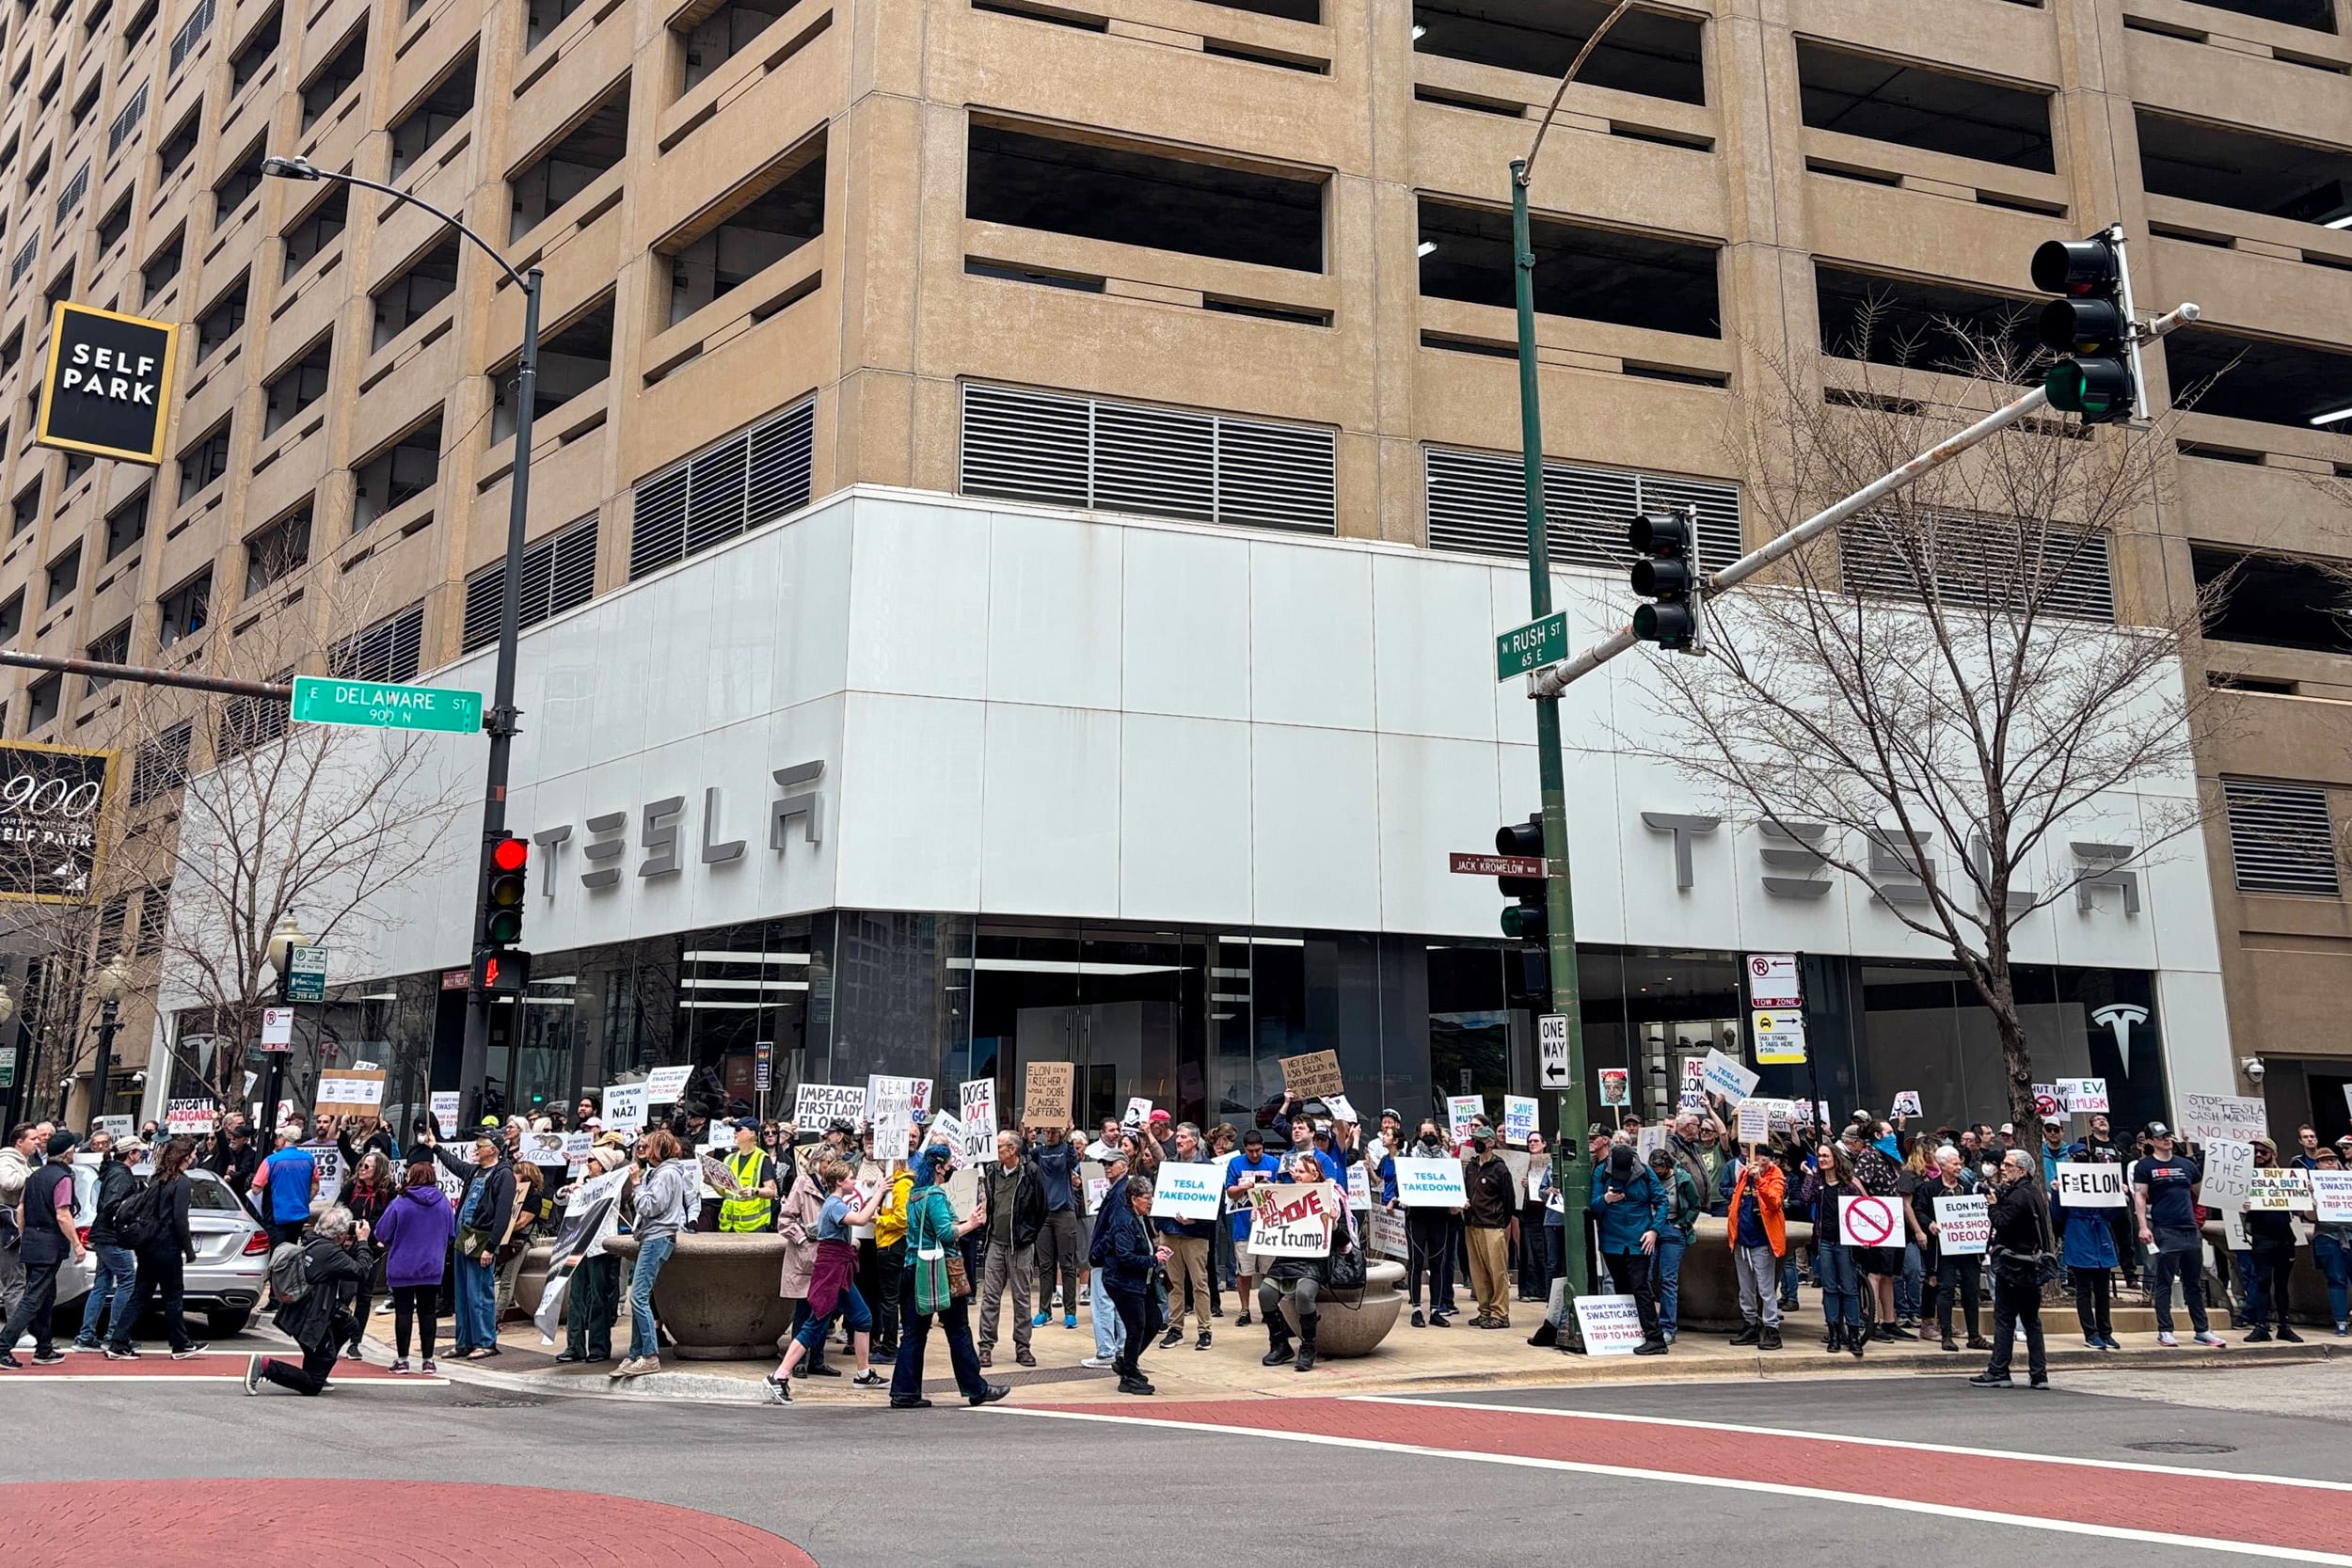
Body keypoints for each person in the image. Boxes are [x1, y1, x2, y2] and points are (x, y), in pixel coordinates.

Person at [891, 1144, 1009, 1410]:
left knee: (913, 1333)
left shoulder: (914, 1195)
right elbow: (946, 1234)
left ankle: (904, 1391)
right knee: (958, 1330)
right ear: (937, 1167)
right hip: (939, 1269)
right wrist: (972, 1224)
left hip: (913, 1267)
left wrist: (964, 1222)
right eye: (947, 1167)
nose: (949, 1172)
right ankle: (975, 1388)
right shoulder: (935, 1195)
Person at [767, 1158, 890, 1401]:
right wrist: (881, 1192)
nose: (854, 1181)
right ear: (839, 1182)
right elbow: (860, 1219)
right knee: (815, 1325)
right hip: (830, 1272)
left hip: (838, 1271)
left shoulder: (836, 1203)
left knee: (863, 1318)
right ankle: (779, 1376)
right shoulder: (834, 1204)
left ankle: (864, 1374)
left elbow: (860, 1218)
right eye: (850, 1177)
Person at [244, 1205, 366, 1396]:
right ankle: (266, 1366)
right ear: (340, 1233)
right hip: (310, 1319)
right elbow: (362, 1271)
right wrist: (363, 1241)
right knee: (312, 1385)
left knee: (348, 1324)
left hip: (300, 1312)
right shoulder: (329, 1253)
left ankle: (318, 1368)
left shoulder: (312, 1242)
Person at [1256, 1150, 1360, 1373]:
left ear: (1315, 1175)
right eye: (1296, 1171)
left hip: (1313, 1261)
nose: (1297, 1175)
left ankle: (1308, 1347)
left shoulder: (1329, 1198)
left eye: (1302, 1172)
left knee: (1304, 1294)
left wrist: (1333, 1223)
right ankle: (1280, 1345)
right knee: (1265, 1293)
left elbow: (1344, 1243)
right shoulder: (1284, 1195)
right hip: (1285, 1259)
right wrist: (1260, 1219)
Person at [106, 1136, 209, 1361]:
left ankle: (118, 1340)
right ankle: (180, 1343)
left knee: (140, 1293)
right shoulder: (181, 1182)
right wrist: (189, 1250)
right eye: (192, 1154)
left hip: (147, 1244)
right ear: (184, 1157)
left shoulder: (157, 1179)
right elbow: (180, 1219)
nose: (194, 1157)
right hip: (167, 1245)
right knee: (173, 1295)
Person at [2133, 1120, 2226, 1349]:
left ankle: (2202, 1329)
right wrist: (2143, 1226)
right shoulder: (2145, 1166)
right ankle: (2165, 1330)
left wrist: (2228, 1194)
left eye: (2168, 1136)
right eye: (2161, 1137)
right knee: (2164, 1281)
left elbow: (2202, 1192)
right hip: (2166, 1228)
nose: (2166, 1140)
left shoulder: (2186, 1165)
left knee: (2193, 1282)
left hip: (2189, 1228)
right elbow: (2140, 1196)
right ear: (2152, 1141)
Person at [614, 1128, 698, 1379]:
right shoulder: (669, 1173)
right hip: (657, 1237)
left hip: (656, 1237)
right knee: (641, 1296)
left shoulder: (664, 1175)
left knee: (638, 1297)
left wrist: (638, 1186)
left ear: (658, 1150)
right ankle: (636, 1353)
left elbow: (651, 1206)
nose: (643, 1150)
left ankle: (648, 1355)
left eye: (648, 1146)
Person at [426, 1128, 516, 1360]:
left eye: (480, 1144)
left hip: (481, 1240)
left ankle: (486, 1341)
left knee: (480, 1294)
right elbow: (454, 1165)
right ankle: (464, 1341)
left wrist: (491, 1246)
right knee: (463, 1294)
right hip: (463, 1238)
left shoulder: (504, 1175)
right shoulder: (476, 1171)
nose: (476, 1148)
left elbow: (503, 1214)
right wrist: (435, 1146)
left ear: (493, 1149)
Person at [0, 1130, 85, 1368]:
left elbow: (21, 1209)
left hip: (32, 1241)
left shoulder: (35, 1175)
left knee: (46, 1296)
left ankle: (44, 1348)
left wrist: (24, 1234)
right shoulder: (62, 1178)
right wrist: (77, 1244)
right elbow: (63, 1215)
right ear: (68, 1152)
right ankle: (4, 1345)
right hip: (49, 1243)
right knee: (34, 1298)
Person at [1971, 1150, 2053, 1390]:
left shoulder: (2019, 1196)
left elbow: (2004, 1224)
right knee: (2031, 1320)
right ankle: (2039, 1374)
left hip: (2015, 1264)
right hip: (2031, 1263)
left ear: (2023, 1170)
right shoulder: (2034, 1193)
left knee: (2005, 1318)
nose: (2003, 1168)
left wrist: (1994, 1207)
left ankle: (1999, 1370)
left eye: (2009, 1165)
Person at [1588, 1141, 1669, 1354]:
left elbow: (1662, 1202)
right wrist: (1606, 1198)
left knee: (1640, 1287)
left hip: (1639, 1239)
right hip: (1612, 1241)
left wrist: (1654, 1230)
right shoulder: (1601, 1172)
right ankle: (1630, 1333)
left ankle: (1655, 1337)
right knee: (1621, 1287)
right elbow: (1593, 1204)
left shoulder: (1645, 1172)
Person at [373, 1159, 453, 1374]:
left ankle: (402, 1360)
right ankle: (428, 1360)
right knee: (428, 1313)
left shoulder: (401, 1203)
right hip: (432, 1265)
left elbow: (381, 1232)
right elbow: (451, 1232)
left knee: (404, 1313)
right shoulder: (443, 1202)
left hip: (403, 1265)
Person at [1093, 1163, 1164, 1395]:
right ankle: (1129, 1375)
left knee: (1153, 1320)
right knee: (1136, 1326)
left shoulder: (1138, 1216)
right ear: (1134, 1198)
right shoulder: (1125, 1220)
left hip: (1136, 1281)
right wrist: (1154, 1260)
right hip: (1122, 1282)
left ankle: (1127, 1363)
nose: (1150, 1201)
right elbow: (1125, 1257)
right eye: (1147, 1197)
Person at [977, 1129, 1043, 1370]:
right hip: (996, 1241)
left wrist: (1028, 1235)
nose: (995, 1151)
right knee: (990, 1297)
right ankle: (985, 1346)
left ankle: (1023, 1347)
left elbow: (1041, 1207)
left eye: (999, 1147)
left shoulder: (1031, 1172)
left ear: (1012, 1150)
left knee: (1021, 1298)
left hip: (1021, 1245)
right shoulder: (993, 1171)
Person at [1839, 1121, 1909, 1339]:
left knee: (1889, 1273)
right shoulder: (1869, 1156)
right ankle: (1873, 1319)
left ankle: (1890, 1320)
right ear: (1878, 1135)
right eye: (1888, 1132)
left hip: (1893, 1219)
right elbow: (1855, 1180)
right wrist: (1868, 1202)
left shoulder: (1890, 1157)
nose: (1891, 1136)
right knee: (1876, 1272)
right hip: (1878, 1219)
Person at [72, 1130, 140, 1354]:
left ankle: (87, 1335)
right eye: (138, 1152)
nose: (140, 1156)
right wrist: (126, 1218)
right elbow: (113, 1204)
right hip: (113, 1235)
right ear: (131, 1154)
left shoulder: (112, 1171)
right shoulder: (121, 1175)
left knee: (103, 1283)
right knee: (127, 1280)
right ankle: (114, 1334)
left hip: (104, 1234)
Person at [1917, 1145, 1989, 1353]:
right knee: (1946, 1289)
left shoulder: (1968, 1186)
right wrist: (1930, 1224)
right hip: (1943, 1250)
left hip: (1968, 1248)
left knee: (1971, 1290)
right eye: (1954, 1163)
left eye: (1960, 1162)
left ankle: (1974, 1335)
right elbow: (1919, 1211)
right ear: (1942, 1165)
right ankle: (1946, 1335)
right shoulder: (1930, 1188)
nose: (1959, 1166)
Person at [1154, 1121, 1216, 1352]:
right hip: (1170, 1233)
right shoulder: (1168, 1166)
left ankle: (1205, 1330)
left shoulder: (1207, 1168)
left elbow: (1215, 1205)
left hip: (1195, 1236)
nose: (1179, 1141)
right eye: (1177, 1137)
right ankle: (1175, 1328)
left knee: (1200, 1283)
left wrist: (1196, 1219)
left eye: (1183, 1137)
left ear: (1194, 1140)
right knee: (1173, 1284)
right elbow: (1160, 1197)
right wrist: (1162, 1225)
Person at [773, 1150, 834, 1380]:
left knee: (823, 1309)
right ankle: (798, 1361)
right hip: (805, 1255)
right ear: (817, 1163)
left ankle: (817, 1359)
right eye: (829, 1162)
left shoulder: (833, 1186)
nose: (832, 1166)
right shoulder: (803, 1183)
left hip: (826, 1257)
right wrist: (802, 1238)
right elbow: (785, 1219)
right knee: (804, 1311)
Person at [1804, 1143, 1866, 1357]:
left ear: (1835, 1158)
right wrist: (1812, 1174)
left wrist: (1863, 1237)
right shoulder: (1819, 1183)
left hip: (1845, 1242)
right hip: (1825, 1241)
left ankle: (1854, 1333)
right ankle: (1834, 1333)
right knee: (1829, 1288)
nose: (1822, 1159)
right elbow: (1806, 1197)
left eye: (1825, 1155)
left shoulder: (1848, 1185)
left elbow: (1862, 1210)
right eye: (1819, 1156)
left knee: (1849, 1289)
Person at [1724, 1140, 1785, 1351]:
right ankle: (1750, 1324)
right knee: (1746, 1288)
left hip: (1761, 1242)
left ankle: (1771, 1328)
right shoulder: (1743, 1175)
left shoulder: (1775, 1177)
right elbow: (1736, 1200)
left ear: (1771, 1161)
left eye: (1763, 1160)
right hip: (1743, 1240)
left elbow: (1774, 1202)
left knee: (1766, 1289)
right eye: (1755, 1159)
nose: (1759, 1163)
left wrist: (1759, 1179)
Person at [2242, 1138, 2303, 1344]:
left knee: (2282, 1283)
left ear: (2273, 1154)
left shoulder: (2287, 1176)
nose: (2258, 1156)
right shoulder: (2248, 1179)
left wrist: (2306, 1193)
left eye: (2263, 1153)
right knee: (2262, 1281)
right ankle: (2261, 1326)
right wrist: (2244, 1204)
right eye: (2255, 1153)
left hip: (2284, 1236)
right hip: (2261, 1236)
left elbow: (2299, 1210)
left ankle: (2284, 1326)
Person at [340, 1150, 397, 1359]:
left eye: (367, 1166)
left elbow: (392, 1216)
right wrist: (347, 1228)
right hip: (348, 1245)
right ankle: (338, 1334)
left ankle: (356, 1341)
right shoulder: (351, 1186)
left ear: (378, 1170)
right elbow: (338, 1210)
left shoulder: (388, 1192)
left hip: (373, 1248)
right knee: (345, 1294)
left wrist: (381, 1235)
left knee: (364, 1296)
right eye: (361, 1165)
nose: (362, 1169)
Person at [1226, 1128, 1283, 1328]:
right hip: (1243, 1225)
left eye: (1258, 1150)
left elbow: (1282, 1192)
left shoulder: (1274, 1164)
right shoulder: (1235, 1163)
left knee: (1270, 1270)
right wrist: (1246, 1186)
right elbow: (1230, 1191)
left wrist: (1268, 1185)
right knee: (1245, 1272)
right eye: (1251, 1151)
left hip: (1268, 1226)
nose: (1255, 1154)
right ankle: (1244, 1309)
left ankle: (1270, 1308)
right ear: (1245, 1149)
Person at [1460, 1127, 1518, 1330]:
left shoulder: (1499, 1168)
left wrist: (1501, 1219)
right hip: (1472, 1223)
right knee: (1478, 1272)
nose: (1477, 1142)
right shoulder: (1472, 1166)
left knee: (1497, 1270)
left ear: (1491, 1142)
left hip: (1492, 1225)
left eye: (1481, 1139)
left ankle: (1500, 1313)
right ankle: (1484, 1310)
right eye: (1475, 1139)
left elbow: (1509, 1199)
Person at [1030, 1124, 1083, 1330]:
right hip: (1044, 1213)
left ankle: (1070, 1312)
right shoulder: (1040, 1152)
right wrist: (1027, 1131)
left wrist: (1069, 1136)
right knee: (1045, 1265)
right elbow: (1024, 1154)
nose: (1050, 1135)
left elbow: (1073, 1160)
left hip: (1065, 1211)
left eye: (1054, 1132)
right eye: (1047, 1132)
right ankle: (1044, 1311)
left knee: (1067, 1264)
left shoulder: (1065, 1149)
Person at [2308, 1143, 2349, 1338]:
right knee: (2336, 1278)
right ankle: (2341, 1321)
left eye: (2332, 1160)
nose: (2329, 1164)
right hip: (2328, 1235)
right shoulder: (2311, 1184)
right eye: (2324, 1162)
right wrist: (2312, 1200)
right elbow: (2310, 1217)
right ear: (2317, 1166)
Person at [253, 1127, 319, 1248]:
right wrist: (304, 1200)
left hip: (277, 1217)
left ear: (283, 1139)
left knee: (278, 1252)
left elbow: (256, 1189)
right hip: (300, 1214)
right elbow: (315, 1187)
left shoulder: (271, 1160)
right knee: (292, 1248)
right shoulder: (310, 1159)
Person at [719, 1119, 780, 1233]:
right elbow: (725, 1193)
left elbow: (772, 1192)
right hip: (729, 1227)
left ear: (752, 1133)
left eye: (738, 1129)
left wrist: (755, 1191)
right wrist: (712, 1182)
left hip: (754, 1228)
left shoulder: (762, 1158)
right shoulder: (729, 1159)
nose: (735, 1132)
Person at [1517, 1132, 1555, 1303]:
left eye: (1536, 1141)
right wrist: (1523, 1183)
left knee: (1545, 1251)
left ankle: (1543, 1289)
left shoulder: (1550, 1163)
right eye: (1530, 1141)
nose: (1532, 1144)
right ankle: (1528, 1289)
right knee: (1528, 1250)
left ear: (1544, 1143)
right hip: (1528, 1211)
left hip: (1546, 1210)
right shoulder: (1522, 1163)